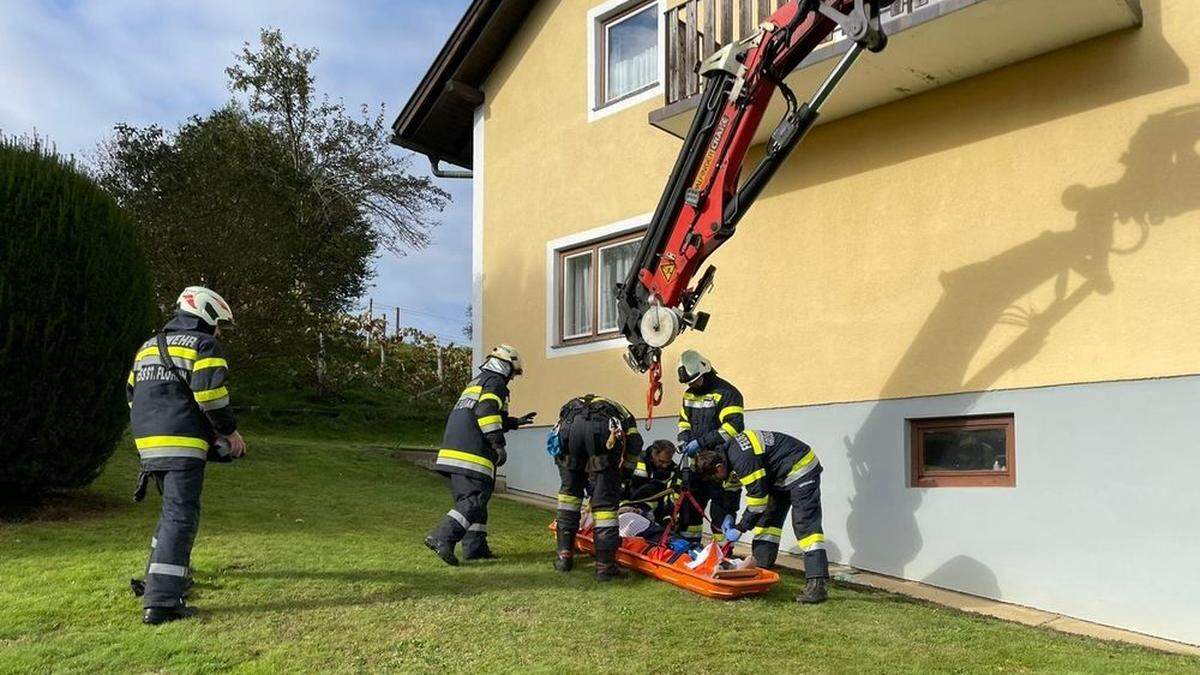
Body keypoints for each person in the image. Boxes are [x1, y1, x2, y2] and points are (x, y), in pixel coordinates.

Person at [126, 286, 246, 624]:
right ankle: (162, 602)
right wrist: (229, 433)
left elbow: (133, 394)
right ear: (207, 316)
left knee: (171, 513)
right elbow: (210, 396)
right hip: (182, 443)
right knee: (181, 515)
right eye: (219, 323)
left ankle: (162, 578)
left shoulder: (147, 347)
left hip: (148, 443)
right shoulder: (204, 345)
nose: (220, 331)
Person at [425, 345, 534, 565]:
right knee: (474, 501)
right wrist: (498, 444)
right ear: (506, 366)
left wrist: (514, 422)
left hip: (454, 450)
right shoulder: (495, 383)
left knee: (475, 504)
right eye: (513, 373)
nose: (512, 378)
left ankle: (475, 547)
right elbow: (485, 413)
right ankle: (442, 537)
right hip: (472, 453)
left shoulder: (477, 382)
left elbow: (483, 412)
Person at [693, 429, 829, 604]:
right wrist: (729, 515)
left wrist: (741, 527)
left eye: (714, 477)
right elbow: (733, 490)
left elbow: (758, 501)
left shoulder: (742, 460)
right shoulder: (727, 456)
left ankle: (817, 585)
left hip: (800, 468)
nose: (716, 481)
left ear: (719, 467)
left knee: (805, 525)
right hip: (778, 475)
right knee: (767, 524)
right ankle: (759, 571)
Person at [551, 394, 640, 581]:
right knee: (605, 507)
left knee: (569, 498)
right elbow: (635, 443)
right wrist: (625, 474)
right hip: (601, 434)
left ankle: (563, 558)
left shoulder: (571, 408)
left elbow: (557, 445)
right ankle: (605, 567)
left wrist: (571, 475)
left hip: (569, 431)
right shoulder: (624, 415)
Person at [675, 350, 745, 547]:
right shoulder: (689, 394)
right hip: (698, 462)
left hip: (721, 462)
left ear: (705, 371)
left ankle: (722, 553)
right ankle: (688, 549)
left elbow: (732, 428)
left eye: (695, 380)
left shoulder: (728, 393)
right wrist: (684, 440)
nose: (691, 385)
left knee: (721, 508)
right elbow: (684, 422)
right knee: (690, 506)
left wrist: (700, 443)